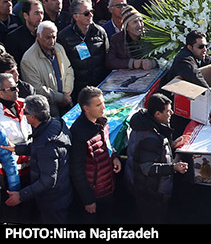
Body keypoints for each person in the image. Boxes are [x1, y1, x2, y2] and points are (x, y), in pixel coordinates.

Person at [2, 95, 72, 223]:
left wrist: (21, 196)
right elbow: (38, 146)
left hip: (52, 202)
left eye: (25, 112)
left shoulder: (45, 145)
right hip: (62, 194)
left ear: (32, 117)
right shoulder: (55, 125)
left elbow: (48, 181)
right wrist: (17, 149)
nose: (23, 115)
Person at [125, 93, 188, 223]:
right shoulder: (150, 137)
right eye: (167, 111)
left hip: (143, 188)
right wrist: (174, 167)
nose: (171, 112)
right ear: (157, 114)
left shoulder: (146, 126)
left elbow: (151, 152)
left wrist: (171, 145)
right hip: (150, 192)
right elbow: (147, 168)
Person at [69, 86, 122, 220]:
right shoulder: (78, 133)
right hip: (94, 194)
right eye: (98, 105)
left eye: (103, 103)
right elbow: (77, 171)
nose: (103, 108)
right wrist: (88, 200)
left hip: (108, 187)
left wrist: (114, 156)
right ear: (85, 108)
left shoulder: (101, 122)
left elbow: (107, 143)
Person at [20, 21, 74, 118]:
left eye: (54, 37)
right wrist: (60, 97)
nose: (52, 41)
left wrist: (67, 92)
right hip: (48, 110)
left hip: (66, 102)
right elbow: (36, 88)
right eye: (48, 37)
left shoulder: (59, 48)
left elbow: (68, 69)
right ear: (38, 36)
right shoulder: (28, 59)